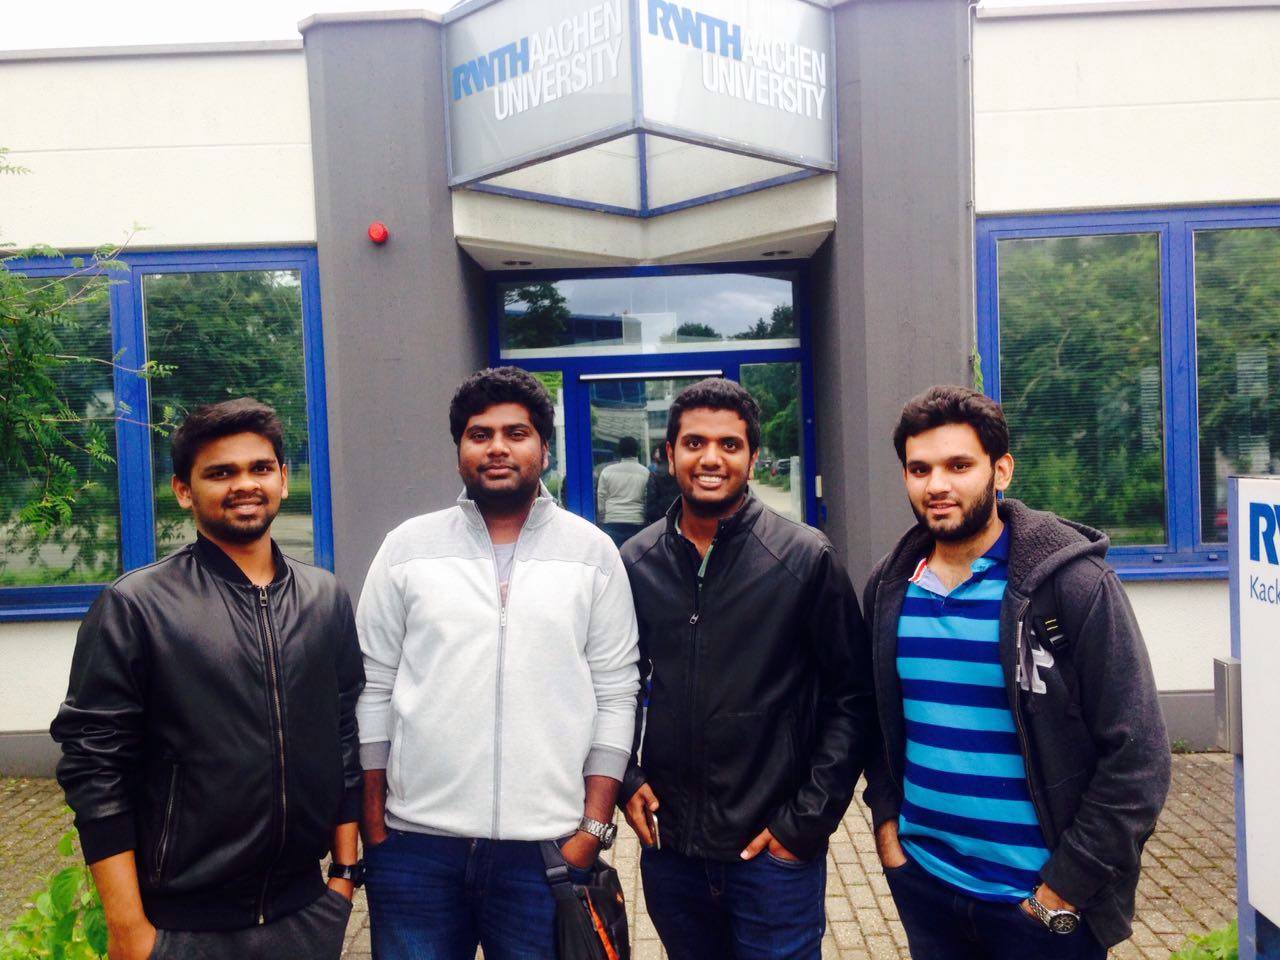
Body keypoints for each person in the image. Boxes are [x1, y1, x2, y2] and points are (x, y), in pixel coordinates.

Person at [863, 385, 1171, 959]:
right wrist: (887, 829)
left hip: (1038, 908)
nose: (936, 485)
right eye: (920, 469)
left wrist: (1065, 888)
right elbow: (876, 723)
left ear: (1000, 470)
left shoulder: (1072, 587)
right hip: (926, 887)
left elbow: (1139, 759)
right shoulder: (889, 588)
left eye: (959, 466)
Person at [51, 398, 364, 960]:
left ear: (283, 478)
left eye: (259, 468)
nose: (244, 484)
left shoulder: (325, 598)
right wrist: (128, 928)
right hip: (181, 929)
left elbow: (342, 734)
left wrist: (343, 875)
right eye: (220, 473)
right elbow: (94, 770)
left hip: (305, 914)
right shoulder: (136, 606)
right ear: (183, 491)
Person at [356, 366, 640, 960]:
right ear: (459, 449)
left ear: (544, 448)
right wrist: (375, 823)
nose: (497, 448)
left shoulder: (592, 554)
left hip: (545, 851)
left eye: (516, 433)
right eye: (479, 434)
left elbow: (616, 692)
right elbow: (373, 684)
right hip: (415, 850)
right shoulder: (406, 549)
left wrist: (591, 830)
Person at [618, 378, 876, 960]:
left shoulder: (805, 558)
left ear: (753, 458)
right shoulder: (635, 563)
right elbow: (614, 684)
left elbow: (853, 699)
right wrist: (626, 779)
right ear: (669, 454)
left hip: (771, 859)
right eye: (695, 443)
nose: (711, 458)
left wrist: (804, 823)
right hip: (671, 856)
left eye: (729, 445)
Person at [596, 434, 650, 545]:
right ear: (637, 451)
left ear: (619, 451)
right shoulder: (645, 473)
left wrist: (602, 517)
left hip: (612, 520)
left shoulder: (607, 471)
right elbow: (647, 498)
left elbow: (601, 497)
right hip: (636, 521)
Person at [643, 443, 680, 524]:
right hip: (679, 513)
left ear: (660, 454)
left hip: (660, 516)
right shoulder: (680, 471)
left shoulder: (655, 473)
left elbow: (651, 498)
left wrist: (648, 518)